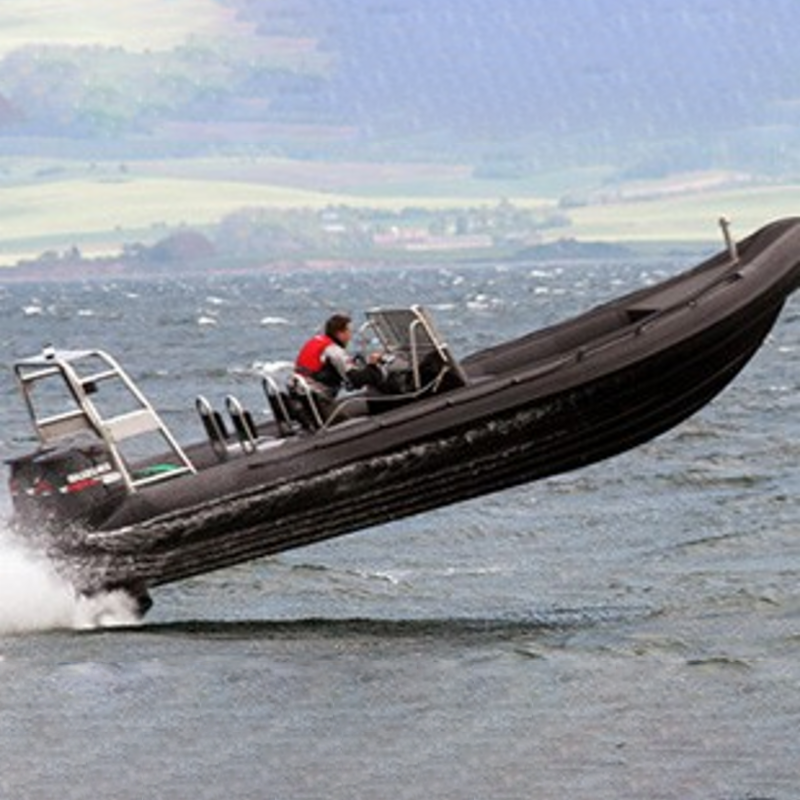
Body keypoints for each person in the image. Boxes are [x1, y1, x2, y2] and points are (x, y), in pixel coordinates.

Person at [291, 313, 384, 420]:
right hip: (319, 401)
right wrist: (372, 367)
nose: (350, 336)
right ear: (340, 333)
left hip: (302, 396)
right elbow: (355, 380)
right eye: (348, 331)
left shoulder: (316, 342)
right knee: (348, 421)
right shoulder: (334, 350)